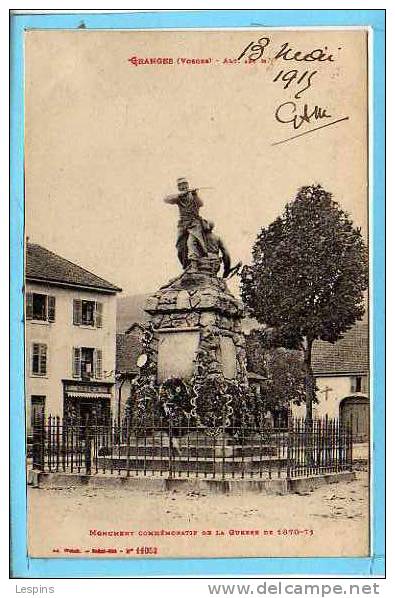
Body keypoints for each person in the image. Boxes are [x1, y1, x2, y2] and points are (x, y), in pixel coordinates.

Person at [164, 178, 208, 268]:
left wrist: (195, 194)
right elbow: (166, 199)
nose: (183, 186)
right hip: (183, 224)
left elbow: (201, 204)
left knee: (192, 243)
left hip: (194, 223)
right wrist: (181, 195)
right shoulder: (178, 197)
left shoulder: (192, 196)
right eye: (180, 185)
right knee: (180, 246)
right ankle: (186, 266)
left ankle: (194, 266)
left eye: (184, 184)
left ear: (187, 185)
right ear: (178, 187)